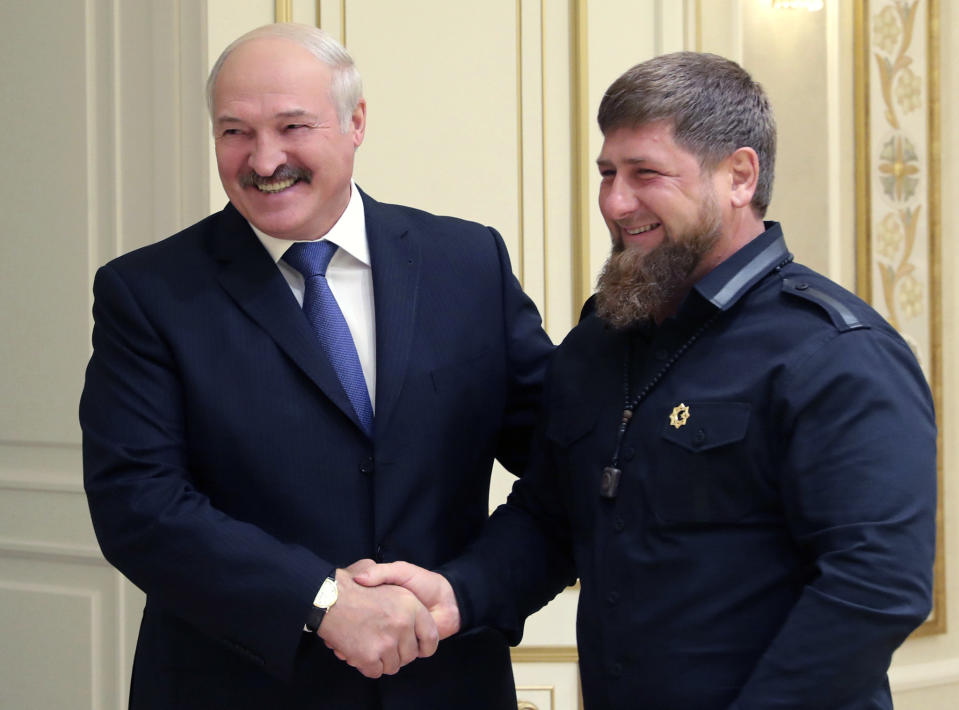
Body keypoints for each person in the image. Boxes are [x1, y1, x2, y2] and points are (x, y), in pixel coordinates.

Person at [358, 52, 938, 709]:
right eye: (607, 173)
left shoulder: (832, 352)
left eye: (645, 174)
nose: (614, 202)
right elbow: (550, 519)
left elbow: (875, 585)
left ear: (738, 176)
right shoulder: (599, 342)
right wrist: (460, 593)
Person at [79, 23, 552, 710]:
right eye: (234, 131)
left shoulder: (467, 263)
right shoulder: (149, 293)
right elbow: (138, 503)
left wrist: (465, 593)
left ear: (355, 122)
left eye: (291, 126)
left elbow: (561, 461)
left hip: (446, 683)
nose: (263, 159)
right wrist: (321, 601)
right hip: (238, 687)